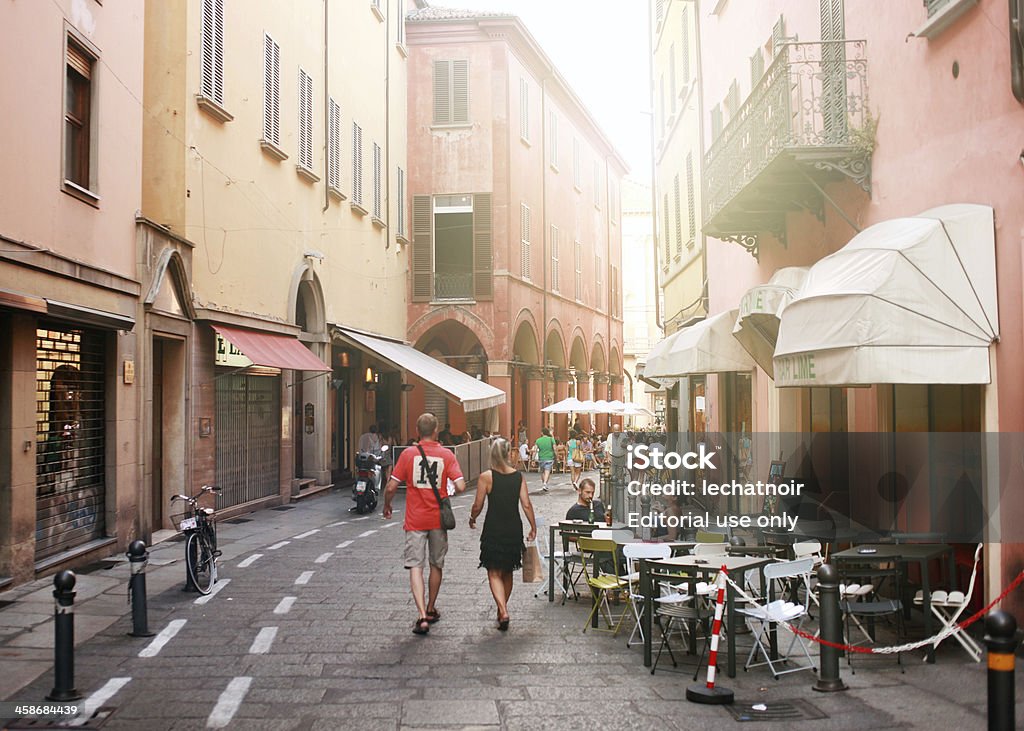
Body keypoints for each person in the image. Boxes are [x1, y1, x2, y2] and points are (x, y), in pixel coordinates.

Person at [383, 413, 466, 636]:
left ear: (418, 431)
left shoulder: (409, 454)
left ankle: (421, 616)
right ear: (436, 430)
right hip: (438, 519)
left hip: (415, 519)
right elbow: (460, 486)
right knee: (436, 564)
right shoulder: (446, 455)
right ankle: (431, 607)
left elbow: (391, 487)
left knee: (415, 566)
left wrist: (387, 506)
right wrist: (446, 488)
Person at [469, 438, 537, 631]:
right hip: (514, 528)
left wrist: (472, 518)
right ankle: (502, 610)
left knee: (493, 571)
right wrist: (533, 526)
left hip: (494, 528)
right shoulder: (518, 477)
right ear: (509, 453)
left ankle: (504, 610)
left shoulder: (486, 477)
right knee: (507, 571)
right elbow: (526, 504)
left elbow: (478, 505)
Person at [534, 427, 556, 492]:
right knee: (547, 471)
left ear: (542, 433)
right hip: (549, 457)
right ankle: (545, 484)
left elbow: (535, 450)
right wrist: (556, 455)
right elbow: (555, 449)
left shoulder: (538, 440)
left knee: (542, 471)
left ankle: (544, 484)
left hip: (541, 458)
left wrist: (533, 459)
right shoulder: (551, 439)